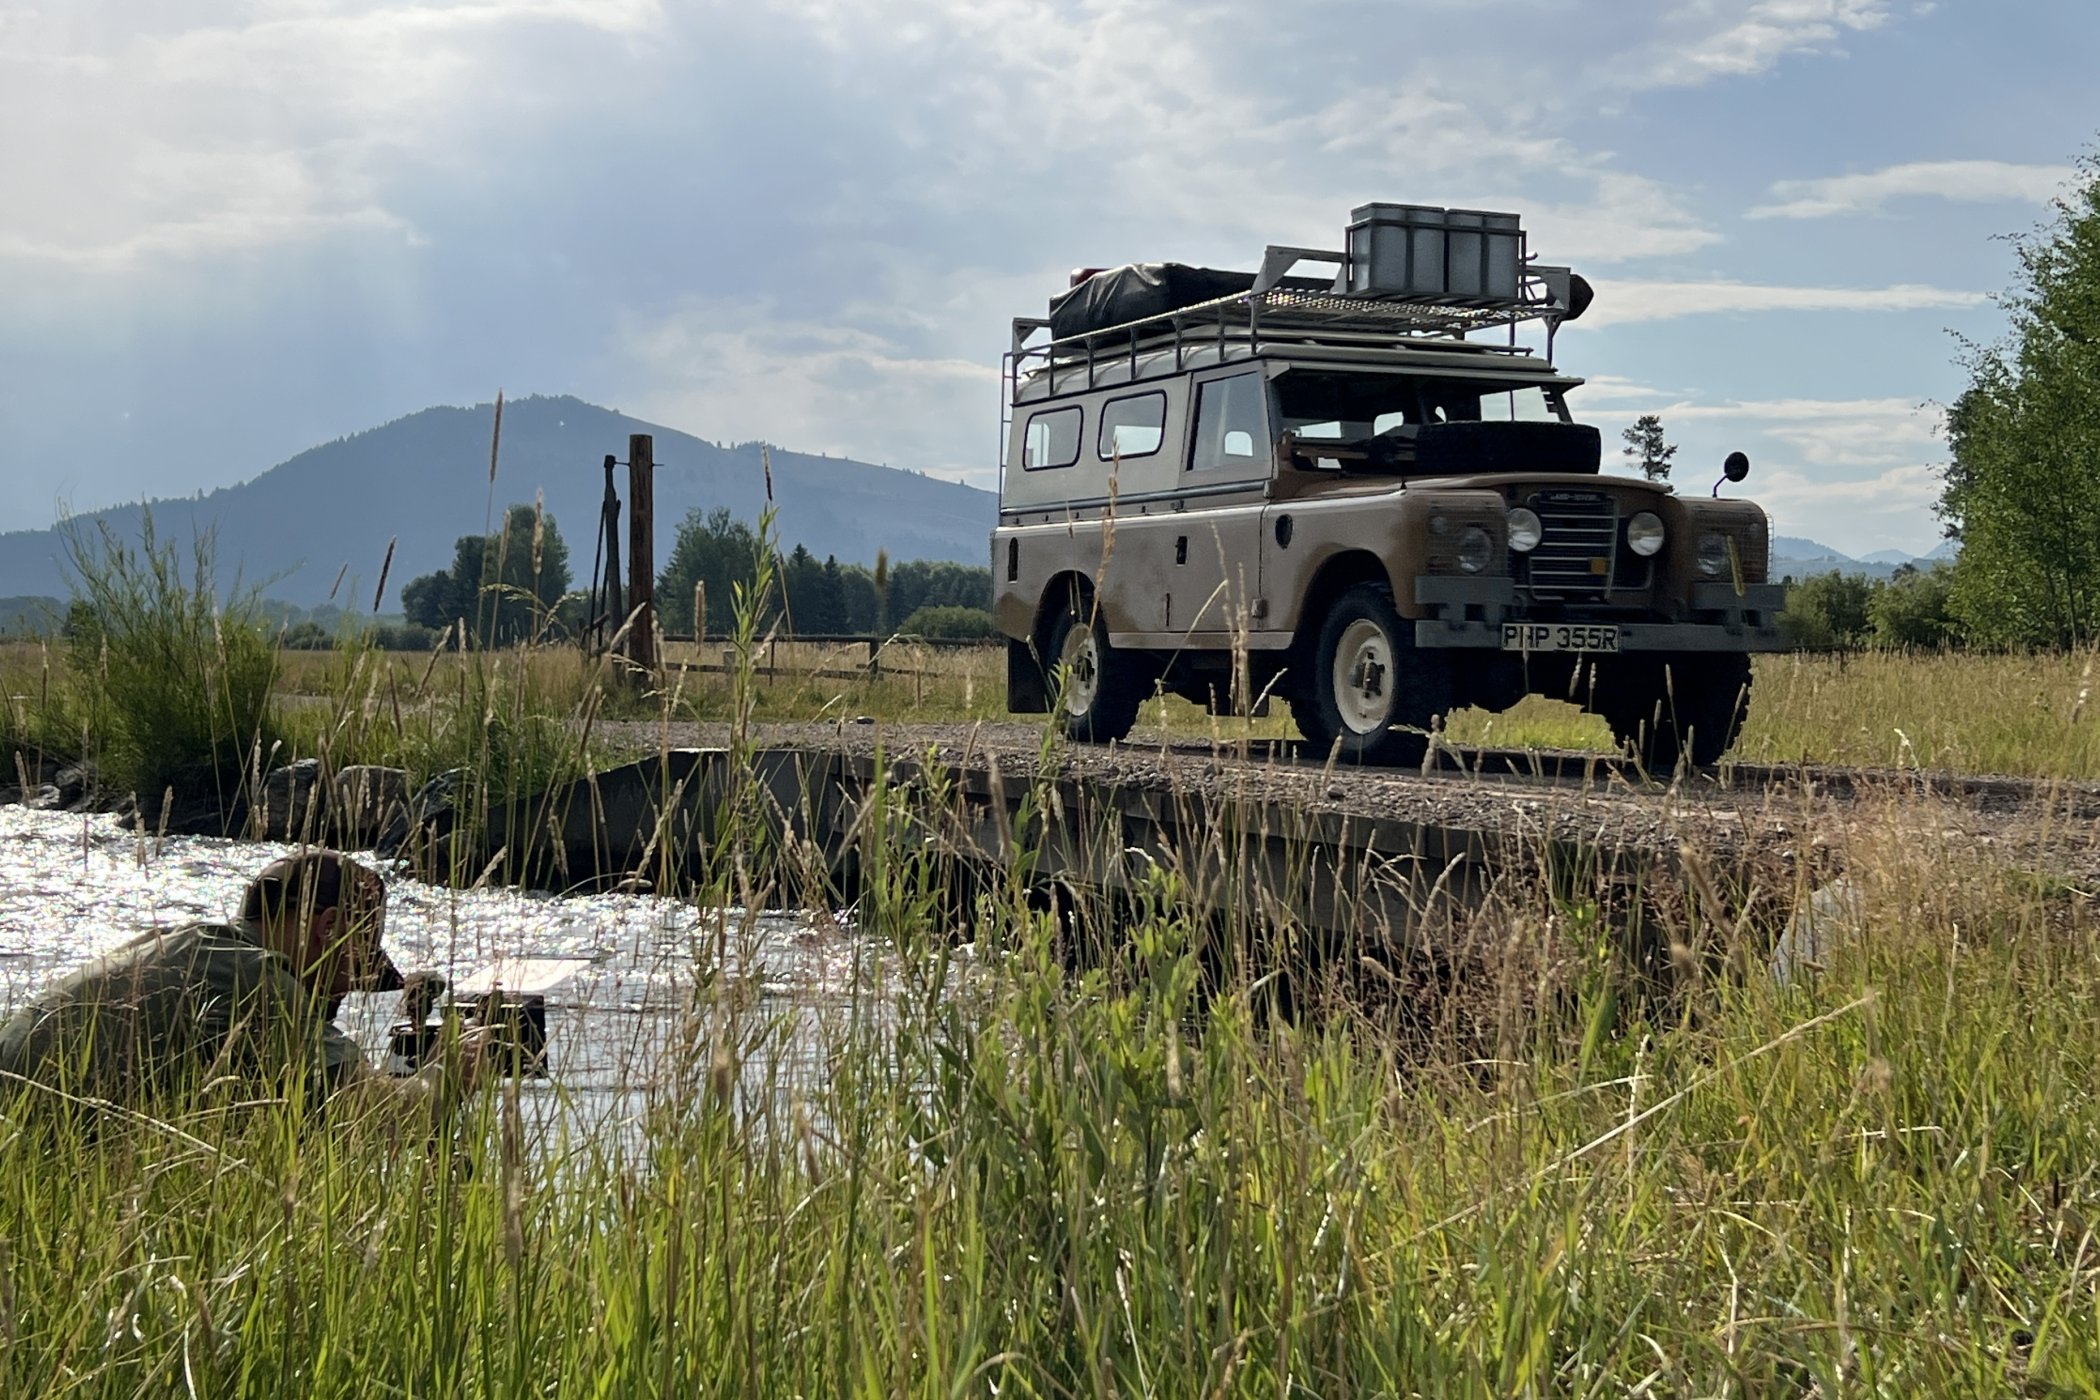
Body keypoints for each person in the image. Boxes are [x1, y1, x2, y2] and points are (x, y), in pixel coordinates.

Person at [0, 849, 483, 1119]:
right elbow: (381, 1119)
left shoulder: (175, 943)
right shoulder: (255, 976)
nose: (344, 992)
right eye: (354, 967)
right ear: (329, 927)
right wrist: (452, 1070)